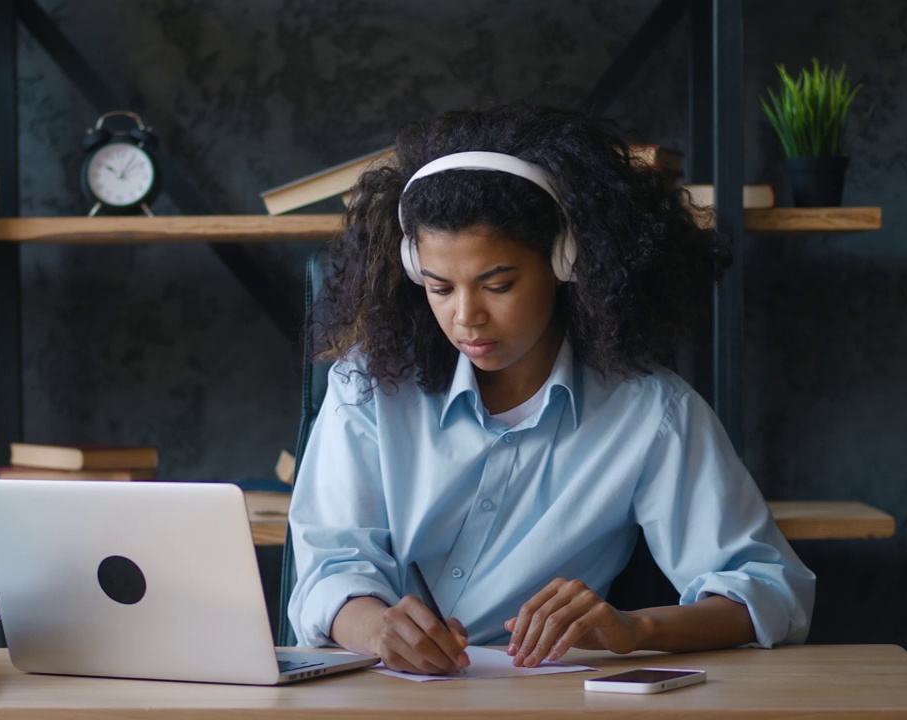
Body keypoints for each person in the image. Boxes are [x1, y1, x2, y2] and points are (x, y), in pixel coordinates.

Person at [286, 103, 815, 676]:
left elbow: (771, 590)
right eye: (440, 287)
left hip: (547, 699)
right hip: (377, 693)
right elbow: (328, 567)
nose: (466, 317)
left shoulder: (650, 413)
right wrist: (376, 627)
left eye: (499, 284)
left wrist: (633, 629)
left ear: (566, 263)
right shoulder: (367, 391)